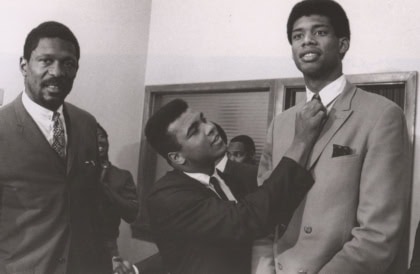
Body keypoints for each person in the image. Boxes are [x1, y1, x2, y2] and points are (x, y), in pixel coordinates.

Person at [252, 1, 411, 273]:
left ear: (342, 44)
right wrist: (263, 269)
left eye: (320, 32)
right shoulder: (281, 123)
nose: (307, 41)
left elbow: (377, 234)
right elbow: (261, 213)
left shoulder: (382, 115)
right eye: (297, 36)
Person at [144, 98, 325, 274]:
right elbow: (248, 218)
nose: (210, 128)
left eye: (203, 119)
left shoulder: (232, 180)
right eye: (194, 131)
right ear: (177, 158)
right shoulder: (167, 197)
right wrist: (301, 140)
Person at [0, 21, 112, 274]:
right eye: (46, 60)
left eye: (68, 63)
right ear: (24, 65)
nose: (57, 71)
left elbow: (94, 205)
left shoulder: (86, 123)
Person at [96, 123, 139, 274]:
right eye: (93, 137)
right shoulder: (75, 174)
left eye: (102, 136)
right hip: (75, 243)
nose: (99, 141)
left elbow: (132, 214)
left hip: (108, 244)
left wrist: (106, 189)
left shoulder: (122, 176)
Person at [213, 123, 258, 195]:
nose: (231, 159)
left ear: (252, 154)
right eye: (229, 155)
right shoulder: (226, 179)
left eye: (238, 154)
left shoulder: (260, 178)